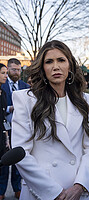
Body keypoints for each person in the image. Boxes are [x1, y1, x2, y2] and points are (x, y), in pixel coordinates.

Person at [11, 40, 89, 200]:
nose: (55, 67)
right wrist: (54, 192)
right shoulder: (25, 100)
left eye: (61, 60)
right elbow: (21, 153)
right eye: (49, 61)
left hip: (78, 192)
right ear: (42, 68)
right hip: (41, 192)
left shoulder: (85, 100)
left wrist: (81, 185)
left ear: (70, 65)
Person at [0, 59, 30, 199]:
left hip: (21, 130)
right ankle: (1, 191)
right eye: (13, 70)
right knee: (4, 161)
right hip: (5, 129)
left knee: (19, 160)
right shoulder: (2, 85)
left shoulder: (25, 86)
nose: (16, 72)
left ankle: (18, 188)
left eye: (18, 70)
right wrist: (9, 108)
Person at [0, 64, 9, 186]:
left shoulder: (3, 93)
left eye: (6, 73)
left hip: (2, 139)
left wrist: (7, 138)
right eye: (2, 73)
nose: (6, 76)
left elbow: (4, 119)